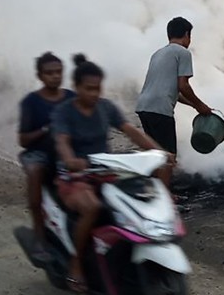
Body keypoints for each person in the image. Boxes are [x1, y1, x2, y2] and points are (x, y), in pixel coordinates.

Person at [52, 54, 169, 293]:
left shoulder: (105, 107)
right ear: (77, 87)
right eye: (88, 89)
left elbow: (131, 131)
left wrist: (159, 151)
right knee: (93, 208)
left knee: (138, 198)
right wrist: (71, 160)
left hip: (104, 172)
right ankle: (76, 264)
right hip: (73, 177)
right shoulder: (64, 112)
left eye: (97, 88)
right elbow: (62, 141)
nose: (94, 94)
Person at [136, 17, 211, 187]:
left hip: (144, 107)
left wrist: (194, 105)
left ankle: (155, 190)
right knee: (168, 155)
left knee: (155, 153)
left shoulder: (158, 53)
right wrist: (200, 106)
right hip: (161, 109)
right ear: (187, 35)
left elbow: (173, 91)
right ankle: (165, 196)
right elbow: (183, 86)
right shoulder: (183, 53)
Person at [17, 52, 75, 262]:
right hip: (39, 153)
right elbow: (23, 140)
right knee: (35, 171)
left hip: (67, 153)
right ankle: (39, 237)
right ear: (40, 76)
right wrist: (45, 129)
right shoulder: (31, 102)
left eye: (58, 72)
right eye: (49, 73)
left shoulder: (70, 98)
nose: (55, 76)